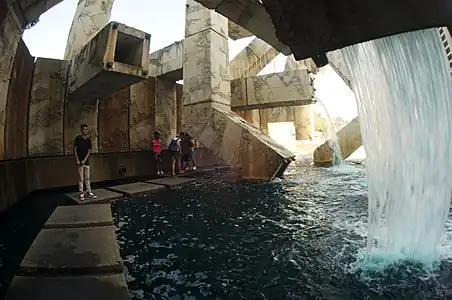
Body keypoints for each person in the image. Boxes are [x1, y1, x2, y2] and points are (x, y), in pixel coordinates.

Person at [74, 124, 96, 201]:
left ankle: (89, 191)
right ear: (81, 130)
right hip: (79, 162)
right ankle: (81, 192)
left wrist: (84, 160)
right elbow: (75, 149)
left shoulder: (88, 140)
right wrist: (77, 160)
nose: (85, 131)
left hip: (86, 162)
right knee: (81, 178)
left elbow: (89, 151)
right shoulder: (78, 138)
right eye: (84, 129)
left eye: (86, 129)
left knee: (87, 178)